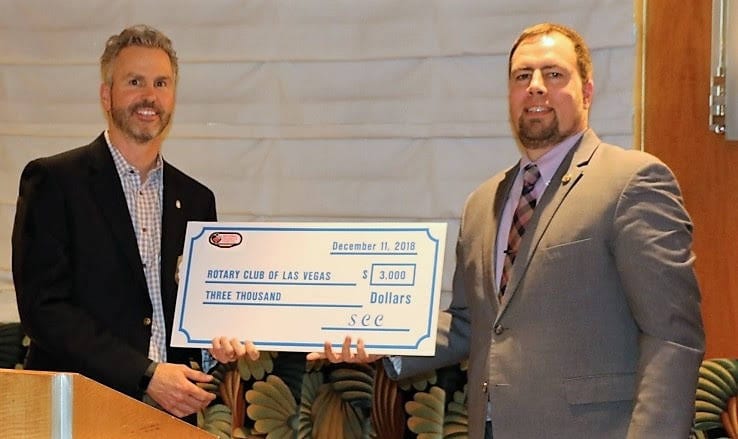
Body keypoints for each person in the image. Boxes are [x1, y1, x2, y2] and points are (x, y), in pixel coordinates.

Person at [305, 23, 706, 438]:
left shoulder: (632, 181)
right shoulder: (483, 204)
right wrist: (381, 336)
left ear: (587, 92)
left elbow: (672, 335)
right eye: (522, 76)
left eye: (554, 74)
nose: (535, 86)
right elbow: (469, 324)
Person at [12, 24, 218, 420]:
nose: (149, 96)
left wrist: (217, 346)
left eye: (161, 83)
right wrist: (145, 374)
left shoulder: (197, 199)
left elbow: (197, 313)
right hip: (80, 408)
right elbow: (44, 310)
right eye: (135, 81)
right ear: (106, 95)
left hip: (174, 414)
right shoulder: (53, 181)